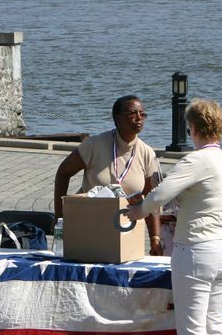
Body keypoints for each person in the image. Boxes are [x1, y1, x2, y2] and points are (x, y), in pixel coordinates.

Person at [127, 98, 222, 335]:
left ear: (192, 128)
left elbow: (159, 195)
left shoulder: (196, 160)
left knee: (192, 331)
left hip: (198, 251)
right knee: (213, 327)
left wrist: (137, 211)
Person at [53, 94, 163, 255]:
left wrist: (155, 238)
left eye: (142, 114)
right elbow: (63, 173)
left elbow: (151, 199)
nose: (139, 118)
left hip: (127, 229)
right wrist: (59, 218)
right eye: (133, 114)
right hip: (90, 226)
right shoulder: (94, 145)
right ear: (117, 119)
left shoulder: (147, 153)